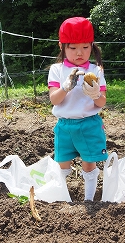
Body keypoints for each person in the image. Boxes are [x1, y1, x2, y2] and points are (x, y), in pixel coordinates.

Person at [47, 17, 108, 201]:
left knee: (89, 163)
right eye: (72, 48)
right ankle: (63, 199)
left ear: (92, 46)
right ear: (62, 47)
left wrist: (96, 94)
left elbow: (101, 103)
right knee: (62, 163)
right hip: (64, 126)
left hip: (89, 124)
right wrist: (65, 87)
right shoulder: (57, 70)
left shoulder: (95, 71)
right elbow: (54, 100)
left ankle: (89, 200)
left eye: (85, 47)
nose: (79, 53)